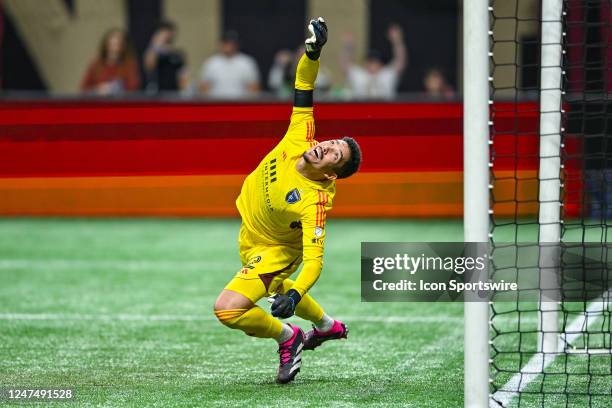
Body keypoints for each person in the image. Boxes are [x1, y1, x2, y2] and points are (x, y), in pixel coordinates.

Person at [213, 18, 362, 384]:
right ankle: (326, 326)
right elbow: (304, 84)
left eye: (334, 155)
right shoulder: (302, 135)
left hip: (276, 248)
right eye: (331, 143)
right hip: (251, 232)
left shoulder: (313, 203)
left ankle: (289, 337)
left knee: (229, 310)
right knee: (275, 290)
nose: (326, 147)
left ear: (330, 173)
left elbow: (313, 262)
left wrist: (295, 297)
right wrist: (313, 52)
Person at [340, 24, 407, 99]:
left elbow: (400, 62)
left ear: (380, 64)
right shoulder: (359, 75)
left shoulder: (386, 75)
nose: (371, 64)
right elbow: (345, 65)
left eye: (374, 62)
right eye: (369, 61)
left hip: (385, 109)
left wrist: (397, 42)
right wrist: (348, 46)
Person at [199, 30, 260, 98]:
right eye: (225, 42)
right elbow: (203, 87)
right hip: (216, 104)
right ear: (220, 43)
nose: (228, 45)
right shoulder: (211, 63)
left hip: (240, 104)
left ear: (237, 45)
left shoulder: (247, 62)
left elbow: (253, 88)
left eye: (231, 43)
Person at [80, 28, 140, 95]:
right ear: (106, 45)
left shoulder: (128, 64)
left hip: (120, 102)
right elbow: (83, 89)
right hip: (99, 102)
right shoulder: (96, 64)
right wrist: (98, 89)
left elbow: (133, 88)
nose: (114, 49)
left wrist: (117, 87)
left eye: (118, 44)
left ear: (123, 46)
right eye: (112, 44)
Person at [143, 20, 188, 93]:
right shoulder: (153, 52)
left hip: (174, 93)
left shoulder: (178, 54)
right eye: (163, 33)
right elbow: (150, 65)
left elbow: (183, 75)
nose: (166, 36)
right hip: (157, 93)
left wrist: (184, 92)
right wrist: (157, 44)